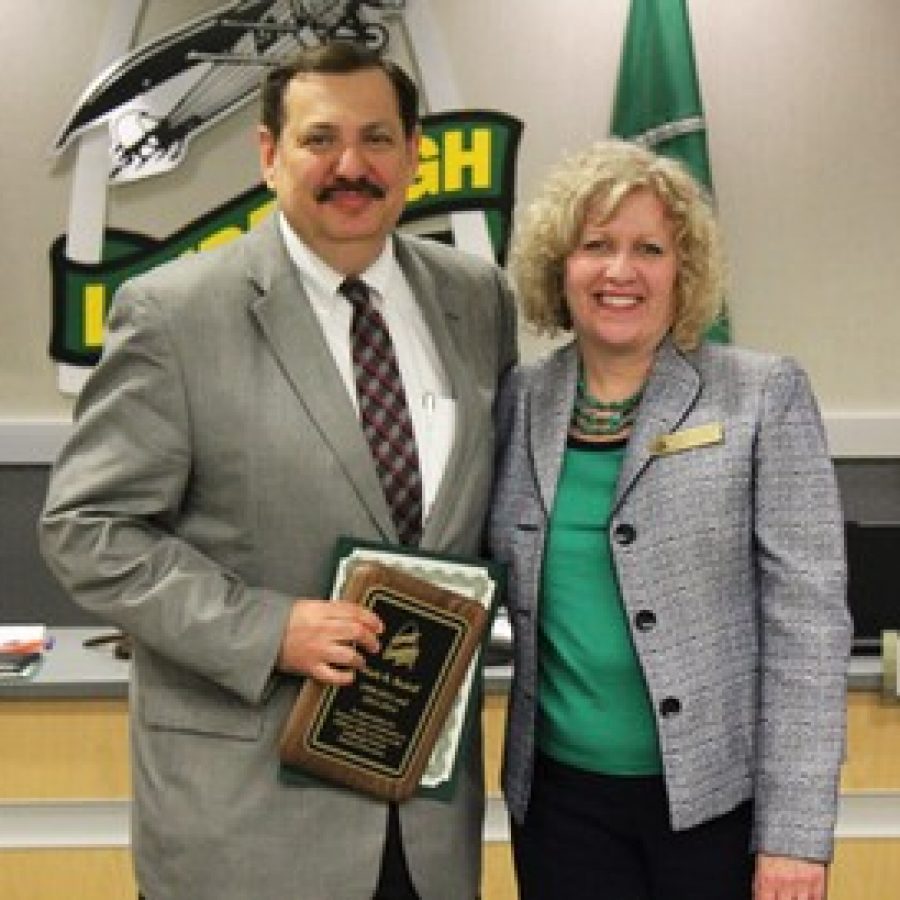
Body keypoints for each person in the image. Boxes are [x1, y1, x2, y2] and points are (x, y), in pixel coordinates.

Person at [39, 42, 516, 900]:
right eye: (319, 138)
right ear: (268, 154)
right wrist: (268, 629)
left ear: (415, 154)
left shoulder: (477, 299)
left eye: (377, 138)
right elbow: (86, 531)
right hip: (243, 833)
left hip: (424, 829)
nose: (350, 165)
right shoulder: (175, 314)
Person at [488, 139, 851, 900]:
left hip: (720, 809)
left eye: (648, 249)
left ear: (682, 273)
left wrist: (794, 835)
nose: (620, 271)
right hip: (560, 808)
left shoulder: (761, 395)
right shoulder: (521, 401)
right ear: (561, 266)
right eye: (596, 246)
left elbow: (808, 628)